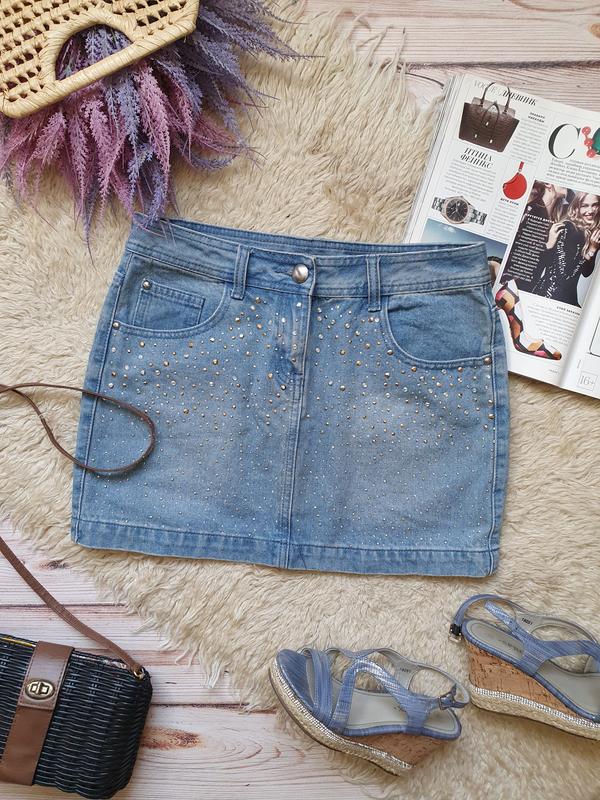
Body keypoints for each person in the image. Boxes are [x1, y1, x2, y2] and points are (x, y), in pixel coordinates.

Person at [533, 192, 600, 306]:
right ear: (576, 208)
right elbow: (564, 276)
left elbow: (586, 272)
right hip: (550, 296)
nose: (590, 210)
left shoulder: (591, 234)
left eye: (595, 205)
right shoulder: (568, 228)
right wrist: (591, 250)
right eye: (584, 206)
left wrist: (593, 249)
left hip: (567, 298)